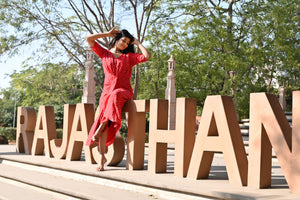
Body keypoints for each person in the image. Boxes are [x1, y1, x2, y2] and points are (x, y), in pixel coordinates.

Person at [85, 26, 151, 171]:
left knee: (115, 96)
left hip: (123, 92)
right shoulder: (105, 54)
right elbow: (88, 39)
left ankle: (101, 127)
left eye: (128, 42)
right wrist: (107, 34)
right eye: (123, 41)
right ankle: (101, 160)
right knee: (106, 122)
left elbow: (146, 56)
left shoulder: (129, 58)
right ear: (116, 39)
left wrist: (138, 43)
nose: (125, 44)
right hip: (107, 94)